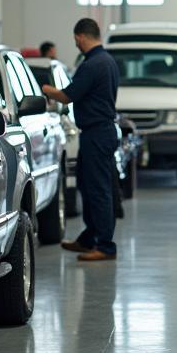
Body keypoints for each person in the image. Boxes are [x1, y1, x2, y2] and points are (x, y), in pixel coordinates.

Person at [41, 18, 120, 261]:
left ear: (81, 37)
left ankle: (105, 246)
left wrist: (45, 89)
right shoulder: (107, 61)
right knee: (87, 185)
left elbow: (68, 96)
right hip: (99, 132)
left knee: (98, 190)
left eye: (76, 40)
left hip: (97, 133)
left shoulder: (92, 64)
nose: (76, 44)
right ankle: (89, 238)